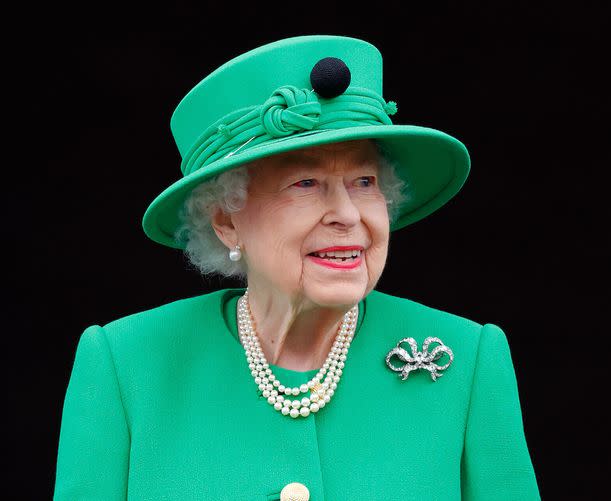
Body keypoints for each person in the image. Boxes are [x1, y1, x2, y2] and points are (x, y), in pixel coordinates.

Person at [54, 35, 540, 500]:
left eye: (365, 181)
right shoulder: (124, 368)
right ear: (227, 220)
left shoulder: (468, 361)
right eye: (306, 182)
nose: (348, 214)